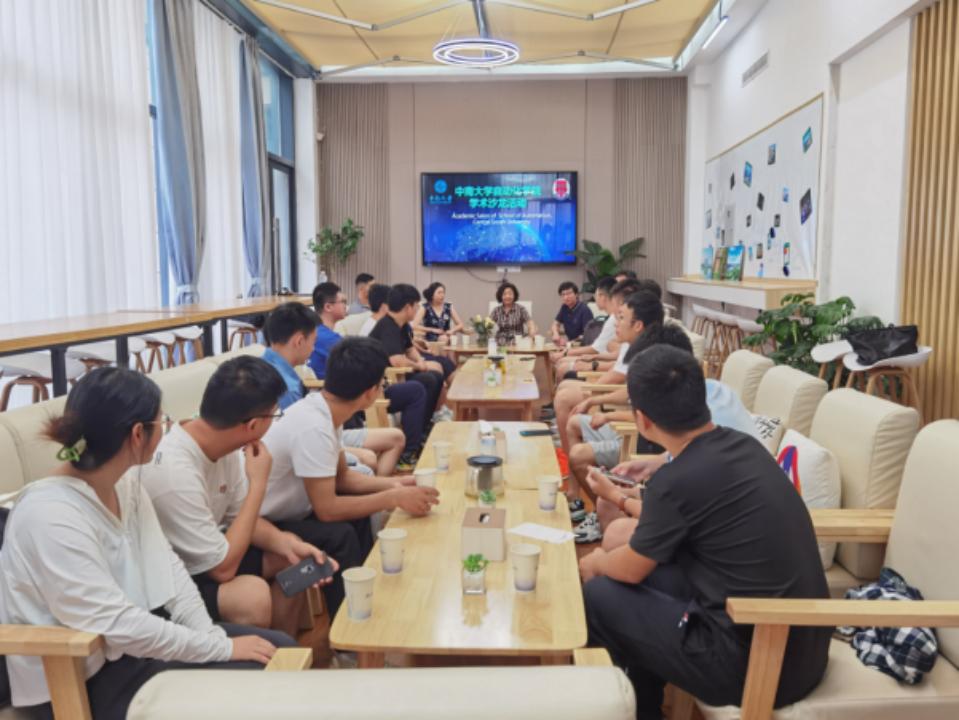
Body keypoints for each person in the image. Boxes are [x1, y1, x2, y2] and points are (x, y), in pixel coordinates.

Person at [0, 367, 297, 720]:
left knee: (283, 651)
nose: (167, 429)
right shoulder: (50, 515)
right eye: (162, 422)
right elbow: (118, 624)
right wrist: (218, 649)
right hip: (75, 680)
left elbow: (168, 567)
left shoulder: (125, 485)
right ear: (138, 434)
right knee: (257, 681)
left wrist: (212, 637)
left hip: (130, 652)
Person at [580, 345, 830, 719]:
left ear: (642, 420)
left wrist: (596, 561)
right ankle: (646, 709)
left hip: (759, 662)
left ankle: (628, 708)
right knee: (647, 580)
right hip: (804, 647)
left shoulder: (675, 480)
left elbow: (629, 568)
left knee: (599, 594)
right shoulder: (744, 445)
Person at [141, 357, 335, 637]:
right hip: (170, 582)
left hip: (209, 552)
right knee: (251, 597)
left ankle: (284, 648)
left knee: (294, 557)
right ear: (254, 424)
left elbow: (241, 519)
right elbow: (222, 570)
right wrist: (258, 483)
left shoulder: (226, 446)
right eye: (274, 416)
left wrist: (289, 545)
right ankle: (259, 657)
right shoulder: (174, 473)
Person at [261, 337, 439, 574]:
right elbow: (327, 510)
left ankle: (368, 578)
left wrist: (397, 484)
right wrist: (393, 497)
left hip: (296, 509)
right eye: (382, 383)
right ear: (370, 392)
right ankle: (351, 594)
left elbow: (343, 478)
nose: (383, 388)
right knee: (340, 536)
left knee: (357, 515)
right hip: (265, 521)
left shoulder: (325, 411)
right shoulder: (314, 426)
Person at [569, 324, 758, 544]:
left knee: (614, 535)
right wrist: (653, 464)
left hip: (725, 531)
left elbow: (676, 515)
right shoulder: (713, 394)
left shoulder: (697, 456)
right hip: (722, 513)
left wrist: (617, 498)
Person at [554, 288, 663, 492]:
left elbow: (650, 419)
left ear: (638, 325)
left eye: (621, 318)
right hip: (632, 426)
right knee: (574, 422)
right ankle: (575, 496)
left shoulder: (652, 360)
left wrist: (608, 416)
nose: (615, 323)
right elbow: (629, 392)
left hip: (638, 438)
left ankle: (604, 503)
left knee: (578, 454)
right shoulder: (637, 349)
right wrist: (593, 401)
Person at [297, 290, 404, 475]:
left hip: (339, 404)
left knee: (393, 441)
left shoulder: (329, 413)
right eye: (343, 301)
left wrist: (393, 487)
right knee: (367, 467)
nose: (347, 306)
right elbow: (328, 497)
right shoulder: (329, 340)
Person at [369, 284, 445, 419]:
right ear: (407, 307)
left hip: (397, 374)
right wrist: (418, 366)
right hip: (384, 381)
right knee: (428, 379)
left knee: (436, 377)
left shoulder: (401, 324)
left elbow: (409, 349)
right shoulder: (387, 326)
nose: (418, 309)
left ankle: (426, 421)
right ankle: (419, 426)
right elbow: (397, 361)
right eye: (416, 305)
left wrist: (420, 361)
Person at [550, 281, 593, 346]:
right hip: (571, 345)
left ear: (576, 294)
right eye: (563, 294)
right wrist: (556, 334)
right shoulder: (564, 307)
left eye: (569, 294)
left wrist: (569, 343)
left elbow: (587, 335)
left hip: (584, 346)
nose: (566, 297)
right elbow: (555, 324)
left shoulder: (584, 309)